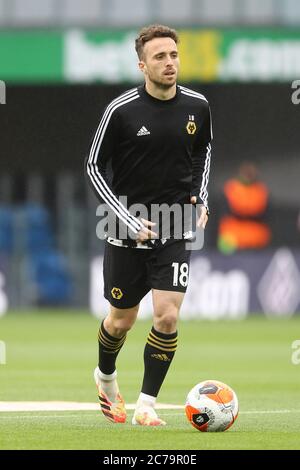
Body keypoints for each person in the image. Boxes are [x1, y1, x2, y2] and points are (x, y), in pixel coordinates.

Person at [85, 24, 213, 426]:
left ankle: (147, 404)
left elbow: (202, 153)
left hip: (176, 225)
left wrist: (201, 197)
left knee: (168, 316)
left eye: (173, 55)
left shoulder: (198, 106)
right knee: (120, 320)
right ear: (142, 65)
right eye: (160, 57)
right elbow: (92, 166)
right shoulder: (120, 111)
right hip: (124, 228)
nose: (169, 63)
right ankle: (105, 378)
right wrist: (124, 218)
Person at [218, 162, 271, 254]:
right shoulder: (231, 187)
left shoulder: (261, 190)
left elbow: (264, 214)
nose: (248, 175)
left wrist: (246, 213)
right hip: (232, 237)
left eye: (251, 172)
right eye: (246, 172)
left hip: (256, 239)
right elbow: (227, 211)